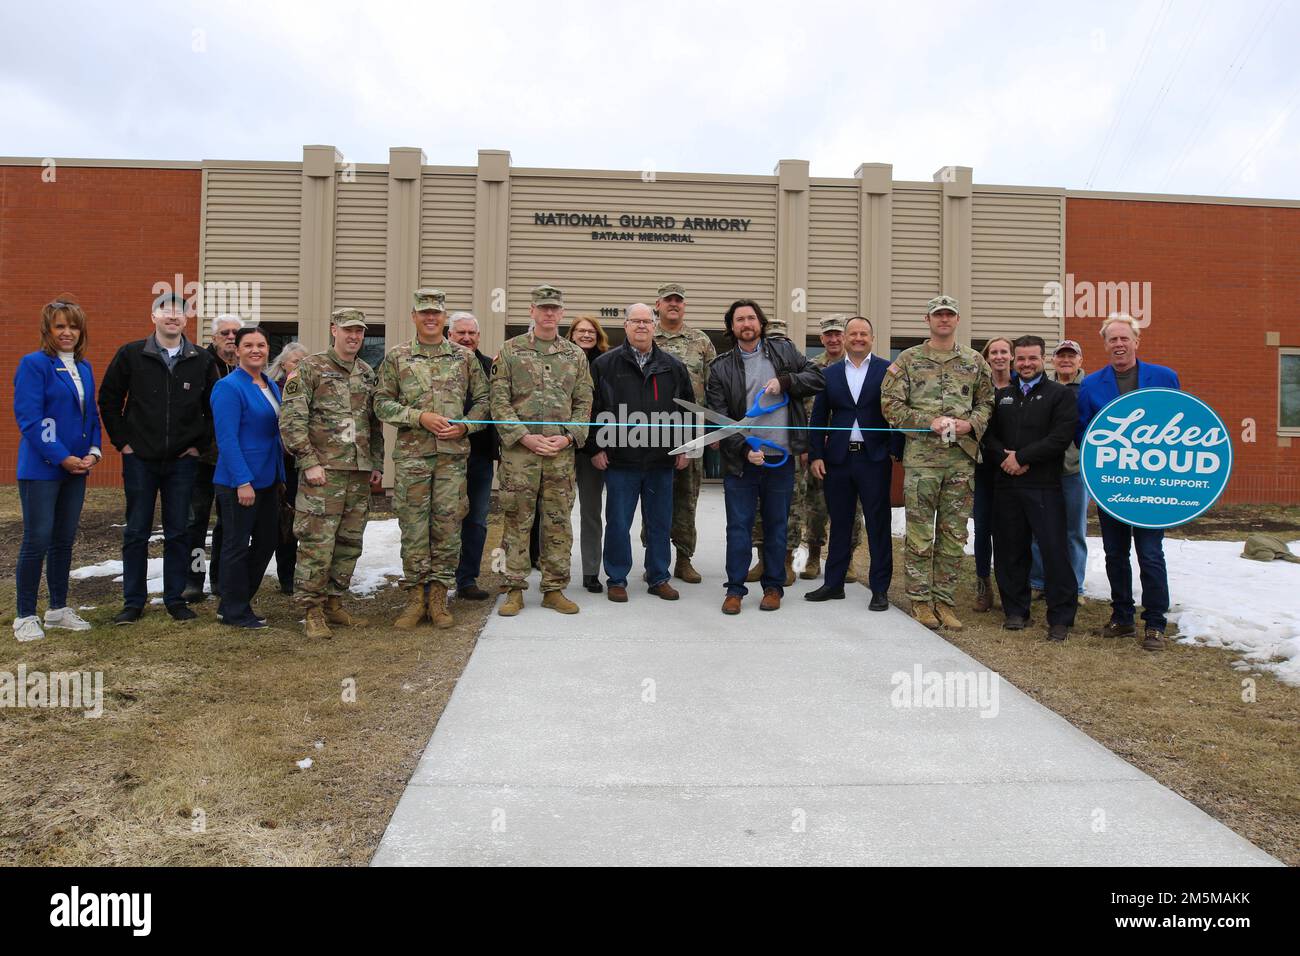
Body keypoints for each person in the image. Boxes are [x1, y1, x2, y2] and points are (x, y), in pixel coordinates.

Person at [99, 291, 220, 625]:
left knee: (179, 531)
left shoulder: (201, 359)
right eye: (165, 311)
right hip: (139, 459)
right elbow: (108, 399)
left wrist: (199, 444)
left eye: (179, 313)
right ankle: (133, 602)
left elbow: (215, 409)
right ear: (153, 317)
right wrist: (122, 442)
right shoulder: (131, 354)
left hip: (183, 461)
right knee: (136, 531)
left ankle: (175, 599)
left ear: (186, 320)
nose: (172, 317)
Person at [375, 289, 489, 630]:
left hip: (453, 459)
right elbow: (381, 403)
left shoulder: (463, 358)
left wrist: (466, 426)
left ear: (443, 318)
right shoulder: (397, 357)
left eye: (436, 313)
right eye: (424, 313)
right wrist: (418, 417)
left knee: (448, 528)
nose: (430, 318)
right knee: (413, 528)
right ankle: (415, 598)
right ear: (414, 316)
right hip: (413, 459)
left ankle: (439, 597)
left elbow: (485, 403)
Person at [881, 294, 994, 632]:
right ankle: (919, 601)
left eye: (949, 315)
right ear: (927, 320)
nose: (943, 320)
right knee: (919, 533)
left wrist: (970, 424)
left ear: (957, 320)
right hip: (923, 462)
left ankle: (944, 601)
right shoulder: (909, 360)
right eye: (938, 315)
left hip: (960, 461)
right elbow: (890, 404)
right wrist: (925, 421)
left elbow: (988, 401)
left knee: (954, 533)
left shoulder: (974, 361)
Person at [707, 299, 823, 614]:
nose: (746, 324)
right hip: (742, 461)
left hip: (781, 459)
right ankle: (734, 590)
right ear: (731, 327)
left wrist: (786, 381)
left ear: (761, 323)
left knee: (777, 526)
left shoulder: (784, 352)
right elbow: (718, 418)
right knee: (739, 527)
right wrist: (745, 448)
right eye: (739, 320)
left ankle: (773, 588)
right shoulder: (720, 367)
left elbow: (817, 379)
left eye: (751, 318)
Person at [1076, 314, 1180, 651]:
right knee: (1115, 553)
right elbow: (1083, 433)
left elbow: (1180, 429)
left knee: (1150, 553)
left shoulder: (1164, 377)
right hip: (1113, 485)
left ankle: (1154, 623)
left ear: (1137, 341)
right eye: (1112, 340)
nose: (1118, 344)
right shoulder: (1091, 385)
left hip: (1152, 488)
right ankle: (1122, 617)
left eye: (1124, 338)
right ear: (1105, 345)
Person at [278, 311, 384, 639]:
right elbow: (292, 419)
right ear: (333, 330)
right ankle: (311, 610)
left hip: (357, 472)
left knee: (349, 542)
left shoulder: (367, 373)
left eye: (359, 332)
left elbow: (373, 424)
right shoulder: (310, 367)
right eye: (348, 330)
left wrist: (376, 464)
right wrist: (308, 461)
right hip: (323, 472)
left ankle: (334, 602)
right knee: (316, 542)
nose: (354, 336)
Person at [491, 284, 593, 617]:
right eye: (543, 308)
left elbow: (584, 404)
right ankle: (514, 589)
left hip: (559, 456)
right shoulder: (510, 351)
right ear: (532, 311)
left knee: (558, 522)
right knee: (517, 521)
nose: (549, 313)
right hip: (520, 456)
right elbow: (499, 402)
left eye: (554, 309)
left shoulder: (575, 355)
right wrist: (523, 436)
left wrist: (567, 437)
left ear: (562, 314)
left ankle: (553, 588)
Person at [12, 296, 102, 641]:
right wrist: (61, 455)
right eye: (60, 326)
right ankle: (24, 615)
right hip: (42, 468)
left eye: (73, 326)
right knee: (37, 539)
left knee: (63, 541)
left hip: (77, 468)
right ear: (48, 330)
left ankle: (58, 610)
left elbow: (90, 415)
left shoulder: (85, 368)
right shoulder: (34, 364)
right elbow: (30, 420)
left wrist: (93, 452)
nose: (68, 332)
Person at [589, 304, 693, 603]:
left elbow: (687, 407)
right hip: (621, 460)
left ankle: (659, 576)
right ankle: (617, 578)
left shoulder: (672, 366)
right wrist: (595, 446)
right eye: (636, 321)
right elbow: (591, 408)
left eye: (647, 321)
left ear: (655, 325)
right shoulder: (605, 365)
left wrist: (685, 447)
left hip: (661, 460)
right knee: (619, 522)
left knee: (660, 521)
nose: (642, 326)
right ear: (625, 326)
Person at [983, 335, 1079, 641]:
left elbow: (1060, 437)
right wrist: (1006, 460)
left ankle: (1061, 618)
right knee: (1010, 550)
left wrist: (1022, 458)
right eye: (1020, 359)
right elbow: (988, 436)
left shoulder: (1060, 395)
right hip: (1007, 485)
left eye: (1032, 358)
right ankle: (1016, 611)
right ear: (1014, 360)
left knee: (1054, 551)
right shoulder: (1003, 396)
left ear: (1043, 360)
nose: (1026, 364)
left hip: (1044, 485)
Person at [806, 316, 903, 611]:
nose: (858, 338)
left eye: (864, 333)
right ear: (845, 339)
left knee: (877, 524)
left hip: (874, 459)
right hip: (838, 459)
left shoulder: (888, 370)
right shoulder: (831, 373)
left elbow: (896, 412)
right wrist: (816, 455)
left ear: (872, 338)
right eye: (853, 333)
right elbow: (819, 417)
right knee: (841, 523)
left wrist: (895, 452)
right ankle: (834, 584)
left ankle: (879, 589)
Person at [210, 326, 285, 629]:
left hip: (268, 478)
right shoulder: (228, 387)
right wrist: (243, 481)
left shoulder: (269, 384)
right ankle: (234, 610)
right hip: (238, 481)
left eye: (262, 345)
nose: (256, 350)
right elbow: (226, 439)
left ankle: (234, 599)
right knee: (236, 545)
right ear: (237, 350)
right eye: (249, 345)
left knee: (267, 541)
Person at [652, 281, 716, 584]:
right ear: (658, 305)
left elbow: (714, 385)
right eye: (668, 300)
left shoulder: (700, 341)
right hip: (652, 432)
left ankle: (684, 558)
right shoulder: (647, 336)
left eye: (678, 300)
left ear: (684, 306)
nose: (673, 304)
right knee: (654, 494)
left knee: (687, 497)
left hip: (692, 431)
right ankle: (656, 558)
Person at [799, 315, 864, 582]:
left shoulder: (859, 366)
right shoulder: (812, 368)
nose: (834, 339)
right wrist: (807, 446)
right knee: (815, 506)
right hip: (819, 448)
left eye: (838, 334)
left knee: (851, 507)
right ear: (822, 338)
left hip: (849, 448)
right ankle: (814, 556)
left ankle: (846, 559)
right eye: (828, 335)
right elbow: (802, 410)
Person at [183, 313, 241, 603]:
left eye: (235, 333)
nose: (231, 337)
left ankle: (220, 578)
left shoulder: (245, 368)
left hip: (233, 460)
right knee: (196, 522)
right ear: (214, 337)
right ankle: (193, 579)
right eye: (225, 333)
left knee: (228, 523)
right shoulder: (200, 364)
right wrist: (194, 443)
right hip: (202, 458)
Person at [1029, 340, 1088, 601]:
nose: (1066, 360)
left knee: (1074, 531)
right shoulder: (1043, 388)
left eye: (1071, 356)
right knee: (1039, 529)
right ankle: (1038, 581)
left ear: (1080, 361)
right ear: (1053, 360)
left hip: (1074, 470)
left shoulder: (1089, 389)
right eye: (1061, 356)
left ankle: (1074, 587)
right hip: (1044, 469)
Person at [449, 312, 500, 601]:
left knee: (477, 520)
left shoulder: (489, 367)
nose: (466, 338)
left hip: (479, 456)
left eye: (471, 333)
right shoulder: (439, 366)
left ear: (478, 336)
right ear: (450, 335)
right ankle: (434, 580)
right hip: (443, 456)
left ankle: (467, 579)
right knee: (443, 520)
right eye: (460, 333)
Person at [567, 315, 611, 592]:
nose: (585, 335)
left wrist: (595, 446)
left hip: (589, 450)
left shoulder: (605, 364)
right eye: (580, 331)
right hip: (558, 444)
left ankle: (591, 571)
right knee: (553, 510)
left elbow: (605, 408)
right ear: (571, 335)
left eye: (590, 331)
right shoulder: (560, 359)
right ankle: (547, 565)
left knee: (591, 512)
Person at [972, 336, 1013, 612]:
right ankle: (983, 585)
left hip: (1014, 468)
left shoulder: (1021, 388)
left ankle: (1010, 586)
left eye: (1003, 352)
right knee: (982, 528)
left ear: (1011, 356)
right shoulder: (980, 389)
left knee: (1010, 531)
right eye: (993, 352)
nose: (998, 356)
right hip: (984, 467)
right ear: (987, 358)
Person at [268, 341, 309, 594]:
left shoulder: (312, 388)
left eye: (305, 362)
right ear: (284, 365)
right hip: (280, 464)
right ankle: (286, 575)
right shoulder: (273, 389)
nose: (300, 366)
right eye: (296, 361)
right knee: (285, 521)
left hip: (305, 463)